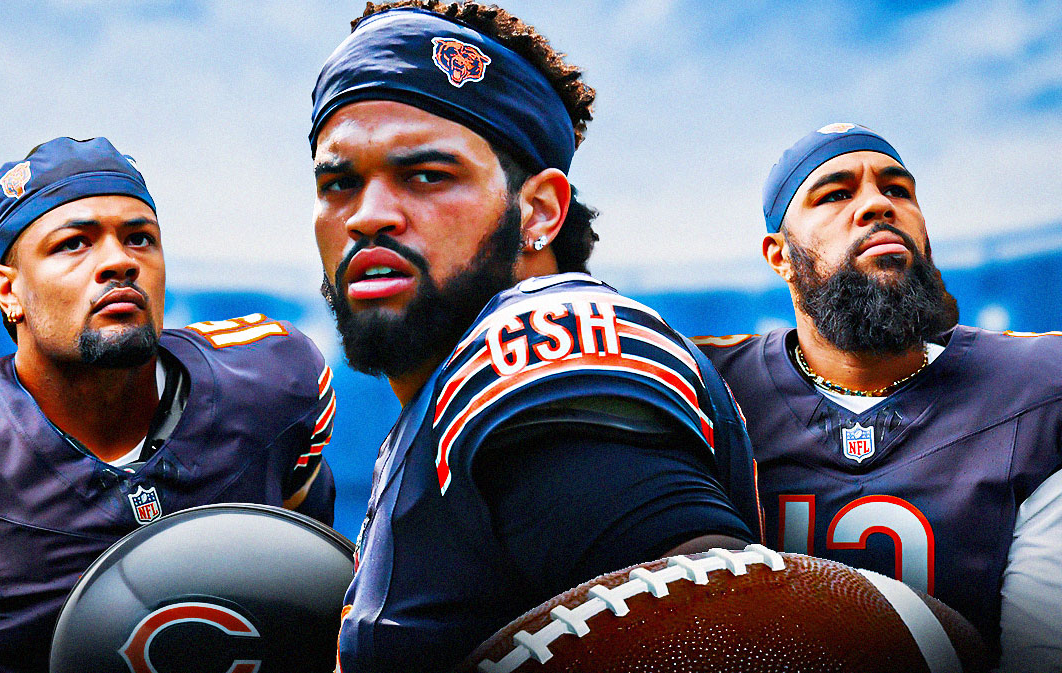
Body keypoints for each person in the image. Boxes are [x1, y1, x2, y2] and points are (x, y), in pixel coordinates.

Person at [309, 3, 763, 670]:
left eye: (427, 175)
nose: (368, 217)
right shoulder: (442, 401)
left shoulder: (536, 354)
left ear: (540, 212)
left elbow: (745, 632)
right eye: (340, 182)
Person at [0, 137, 336, 672]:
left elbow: (316, 605)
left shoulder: (271, 381)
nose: (119, 261)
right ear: (8, 292)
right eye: (74, 243)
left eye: (140, 239)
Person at [694, 123, 1062, 671]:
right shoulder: (710, 388)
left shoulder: (1037, 389)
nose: (876, 205)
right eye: (836, 194)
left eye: (897, 190)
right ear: (779, 254)